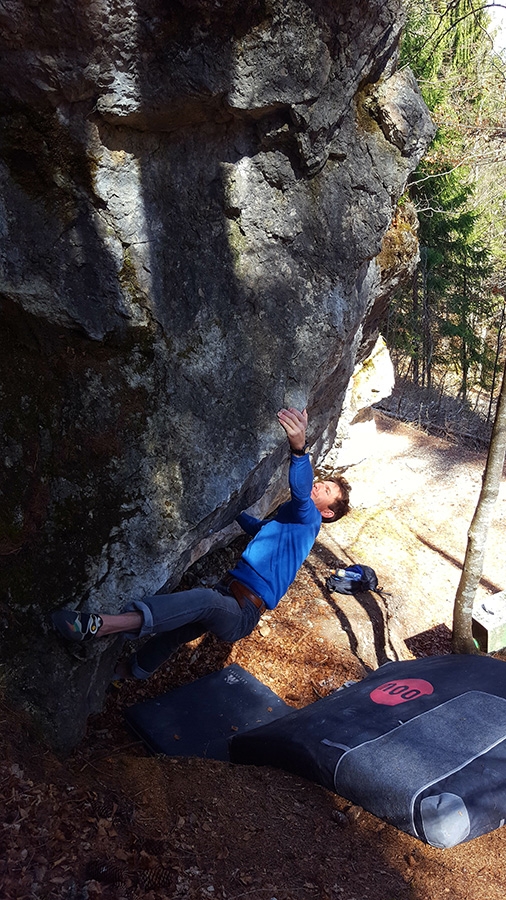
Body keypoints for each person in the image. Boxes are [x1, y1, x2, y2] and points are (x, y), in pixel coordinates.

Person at [52, 407, 350, 680]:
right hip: (230, 591)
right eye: (321, 482)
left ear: (327, 512)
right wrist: (235, 509)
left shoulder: (310, 519)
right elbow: (262, 529)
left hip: (242, 611)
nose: (317, 485)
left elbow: (299, 492)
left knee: (203, 601)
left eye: (325, 490)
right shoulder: (294, 523)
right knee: (175, 633)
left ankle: (102, 625)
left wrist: (299, 450)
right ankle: (132, 671)